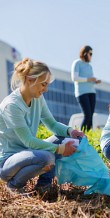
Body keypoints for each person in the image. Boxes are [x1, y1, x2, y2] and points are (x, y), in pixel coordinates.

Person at [0, 58, 85, 194]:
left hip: (30, 152)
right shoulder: (12, 105)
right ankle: (14, 186)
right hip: (8, 163)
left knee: (66, 138)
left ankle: (43, 186)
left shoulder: (38, 98)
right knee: (47, 157)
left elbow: (51, 124)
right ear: (29, 80)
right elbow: (28, 140)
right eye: (43, 84)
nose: (45, 89)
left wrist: (71, 132)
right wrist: (60, 149)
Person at [71, 45, 101, 131]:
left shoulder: (89, 66)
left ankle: (88, 136)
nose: (91, 56)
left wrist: (95, 81)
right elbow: (75, 78)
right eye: (90, 53)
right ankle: (81, 135)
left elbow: (90, 79)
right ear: (85, 53)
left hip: (91, 92)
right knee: (87, 115)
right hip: (82, 92)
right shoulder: (77, 63)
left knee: (91, 115)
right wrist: (88, 79)